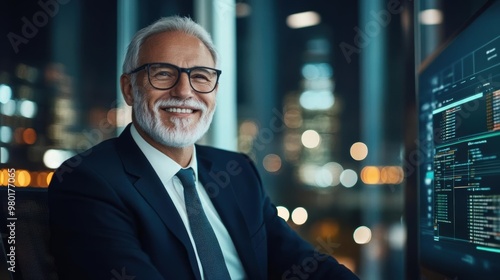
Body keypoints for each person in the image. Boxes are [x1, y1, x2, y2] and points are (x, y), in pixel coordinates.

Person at [48, 16, 360, 280]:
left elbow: (302, 263)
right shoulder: (89, 181)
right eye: (163, 74)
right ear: (129, 89)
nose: (184, 92)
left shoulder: (237, 171)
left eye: (200, 77)